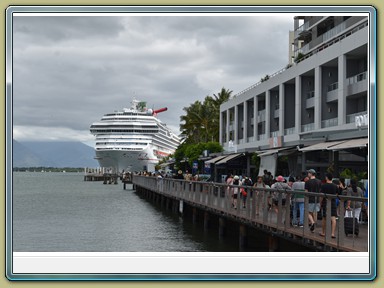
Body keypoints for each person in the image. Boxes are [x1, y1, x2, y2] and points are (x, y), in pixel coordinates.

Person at [319, 173, 338, 238]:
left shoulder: (323, 186)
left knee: (324, 218)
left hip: (326, 202)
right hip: (333, 203)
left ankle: (323, 232)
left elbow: (321, 196)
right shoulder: (335, 186)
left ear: (326, 178)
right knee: (333, 218)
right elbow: (336, 194)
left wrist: (320, 203)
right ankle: (332, 233)